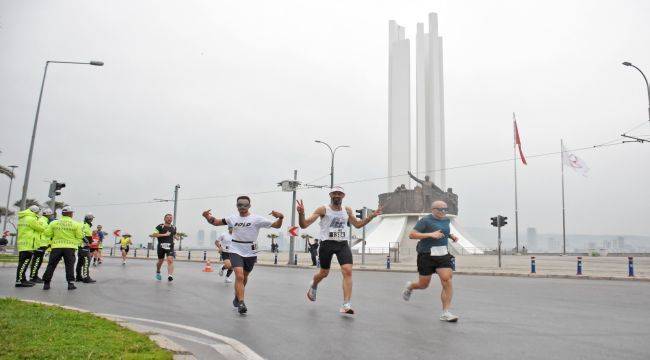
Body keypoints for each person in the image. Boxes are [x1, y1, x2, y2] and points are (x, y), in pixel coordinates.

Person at [297, 186, 382, 314]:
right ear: (330, 195)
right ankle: (314, 284)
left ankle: (346, 304)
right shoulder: (323, 209)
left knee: (347, 271)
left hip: (342, 244)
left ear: (343, 196)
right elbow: (304, 225)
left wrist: (371, 216)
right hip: (327, 244)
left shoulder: (347, 210)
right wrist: (301, 213)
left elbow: (358, 225)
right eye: (334, 193)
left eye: (339, 194)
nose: (337, 195)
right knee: (324, 273)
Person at [202, 196, 284, 314]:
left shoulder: (257, 219)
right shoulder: (232, 218)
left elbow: (277, 225)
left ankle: (237, 297)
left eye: (245, 205)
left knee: (245, 277)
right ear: (237, 206)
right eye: (240, 205)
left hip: (250, 251)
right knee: (239, 276)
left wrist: (281, 217)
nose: (242, 207)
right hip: (235, 249)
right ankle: (241, 303)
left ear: (249, 206)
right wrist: (207, 216)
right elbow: (216, 222)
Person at [401, 200, 460, 322]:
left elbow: (443, 231)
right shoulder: (425, 221)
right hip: (426, 255)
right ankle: (411, 286)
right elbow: (412, 235)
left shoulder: (446, 220)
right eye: (440, 209)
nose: (443, 212)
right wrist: (430, 234)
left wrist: (451, 236)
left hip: (443, 254)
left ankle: (445, 312)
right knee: (423, 284)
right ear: (433, 210)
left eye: (445, 209)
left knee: (447, 280)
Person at [42, 206, 83, 290]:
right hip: (70, 248)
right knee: (69, 266)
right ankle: (70, 284)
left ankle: (46, 283)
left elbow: (47, 234)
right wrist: (75, 243)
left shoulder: (54, 223)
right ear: (70, 214)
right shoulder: (76, 224)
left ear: (62, 214)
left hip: (56, 247)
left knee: (51, 265)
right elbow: (80, 236)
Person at [15, 205, 44, 287]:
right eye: (38, 212)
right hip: (28, 244)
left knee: (22, 263)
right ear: (34, 212)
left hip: (23, 243)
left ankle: (22, 279)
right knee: (24, 263)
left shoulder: (23, 218)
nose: (39, 213)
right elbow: (41, 228)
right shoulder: (31, 219)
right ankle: (20, 281)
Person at [150, 214, 178, 281]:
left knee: (170, 260)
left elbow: (174, 234)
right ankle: (158, 271)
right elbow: (154, 234)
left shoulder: (174, 227)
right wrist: (165, 234)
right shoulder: (160, 226)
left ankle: (170, 276)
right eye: (168, 218)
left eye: (171, 218)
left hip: (170, 246)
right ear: (164, 219)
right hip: (161, 247)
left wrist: (176, 237)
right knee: (160, 261)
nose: (169, 219)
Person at [29, 208, 52, 283]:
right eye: (50, 215)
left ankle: (34, 276)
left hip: (40, 244)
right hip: (40, 244)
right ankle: (33, 277)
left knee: (37, 260)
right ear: (48, 215)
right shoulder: (43, 221)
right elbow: (44, 233)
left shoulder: (42, 220)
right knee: (37, 261)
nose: (51, 216)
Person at [76, 213, 96, 283]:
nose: (92, 220)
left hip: (79, 246)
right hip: (84, 246)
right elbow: (86, 236)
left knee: (80, 262)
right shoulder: (86, 226)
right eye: (92, 219)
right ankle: (86, 278)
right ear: (89, 219)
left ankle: (78, 277)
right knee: (86, 262)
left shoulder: (81, 224)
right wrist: (89, 241)